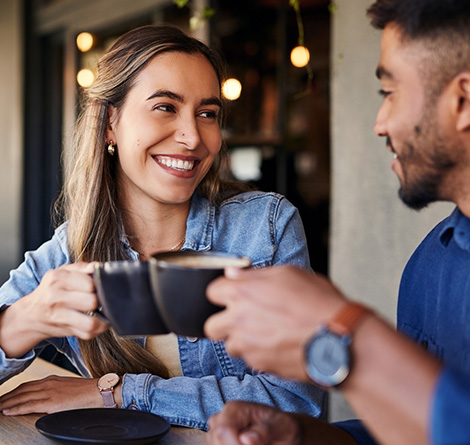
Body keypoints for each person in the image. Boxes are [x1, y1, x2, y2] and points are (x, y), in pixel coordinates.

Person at [0, 25, 326, 430]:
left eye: (207, 114)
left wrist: (117, 394)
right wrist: (18, 323)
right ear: (109, 124)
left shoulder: (265, 227)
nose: (192, 137)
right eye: (165, 107)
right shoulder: (71, 248)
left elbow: (297, 401)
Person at [204, 0, 470, 443]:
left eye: (390, 93)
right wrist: (304, 436)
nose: (379, 124)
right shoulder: (431, 264)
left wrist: (345, 335)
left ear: (462, 101)